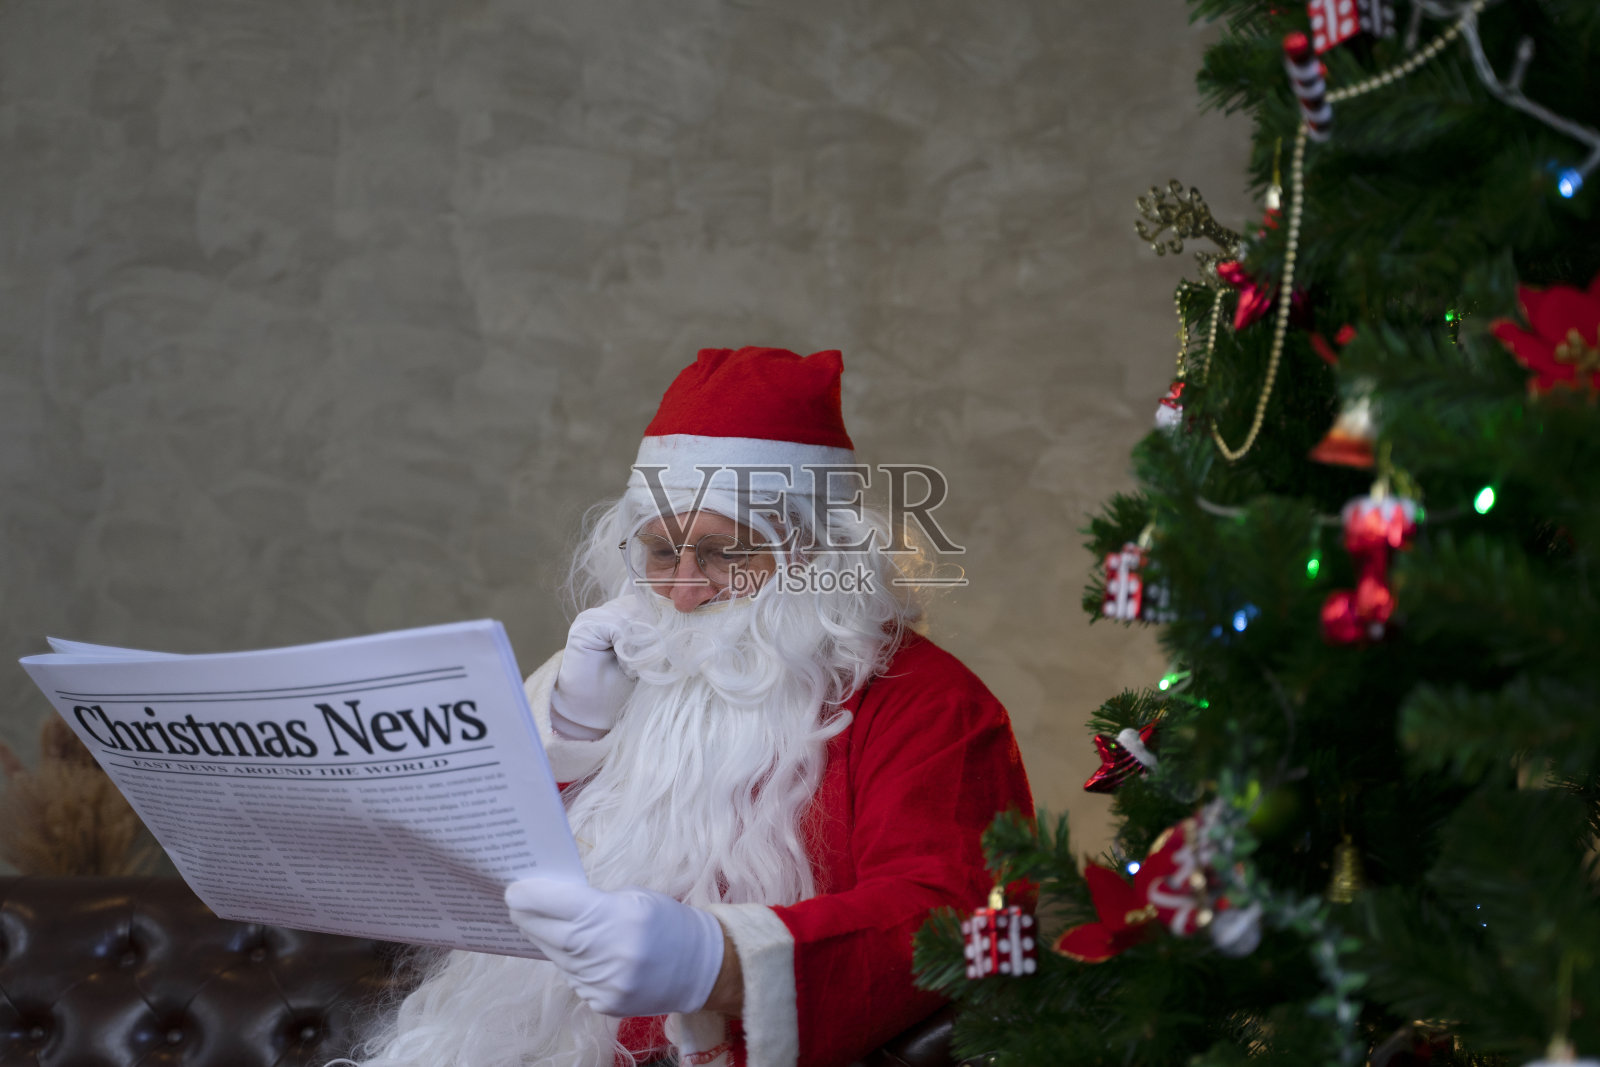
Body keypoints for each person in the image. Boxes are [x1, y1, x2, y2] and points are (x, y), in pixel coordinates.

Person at [347, 347, 1033, 1067]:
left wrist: (722, 959)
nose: (682, 589)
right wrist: (570, 742)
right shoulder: (596, 672)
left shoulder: (930, 702)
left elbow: (957, 908)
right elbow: (478, 885)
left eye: (724, 553)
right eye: (660, 550)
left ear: (821, 552)